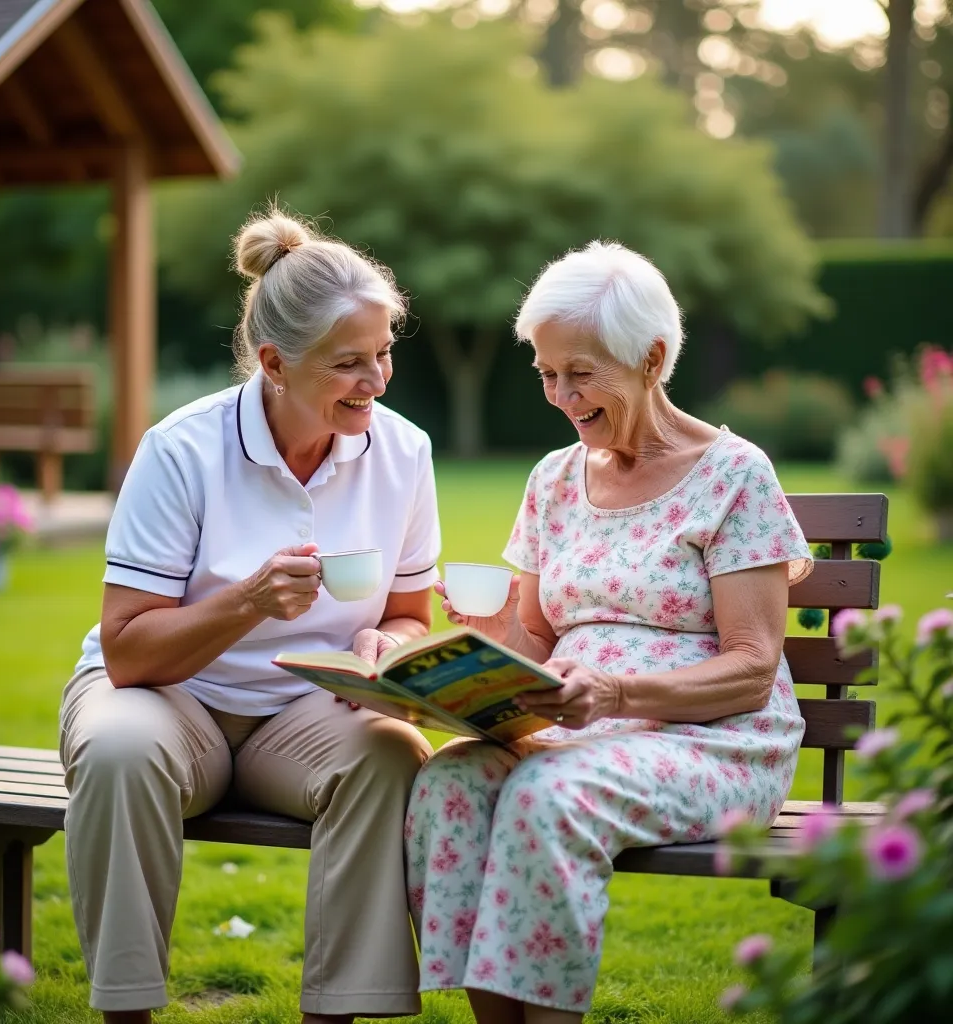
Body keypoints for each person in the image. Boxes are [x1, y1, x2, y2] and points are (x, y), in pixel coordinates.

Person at [405, 241, 813, 1023]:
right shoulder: (554, 479)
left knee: (547, 793)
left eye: (580, 372)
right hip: (578, 730)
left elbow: (753, 668)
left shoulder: (736, 475)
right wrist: (481, 648)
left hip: (714, 741)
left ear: (653, 357)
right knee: (449, 782)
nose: (560, 395)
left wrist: (620, 690)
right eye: (547, 372)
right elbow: (534, 642)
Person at [60, 210, 441, 1024]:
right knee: (121, 749)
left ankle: (336, 1013)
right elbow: (127, 654)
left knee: (392, 751)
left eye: (383, 354)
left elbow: (412, 612)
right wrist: (246, 602)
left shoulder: (403, 453)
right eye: (348, 364)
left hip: (303, 714)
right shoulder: (182, 451)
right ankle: (125, 1012)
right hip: (169, 701)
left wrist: (387, 645)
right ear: (274, 362)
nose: (375, 379)